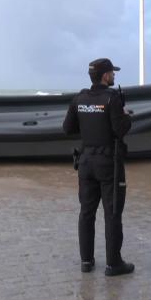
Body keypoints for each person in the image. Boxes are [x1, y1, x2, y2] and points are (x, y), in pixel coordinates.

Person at [62, 58, 135, 277]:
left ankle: (86, 261)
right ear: (105, 76)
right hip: (108, 163)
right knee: (112, 213)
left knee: (86, 212)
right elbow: (120, 130)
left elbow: (67, 128)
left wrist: (89, 125)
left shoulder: (80, 98)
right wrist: (126, 116)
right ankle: (113, 264)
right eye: (112, 73)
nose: (114, 76)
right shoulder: (112, 99)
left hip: (86, 162)